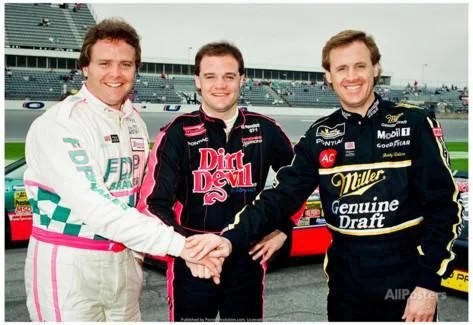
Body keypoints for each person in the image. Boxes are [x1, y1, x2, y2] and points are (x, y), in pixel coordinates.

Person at [211, 30, 463, 322]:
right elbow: (279, 199)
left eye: (360, 66)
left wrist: (428, 286)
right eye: (341, 68)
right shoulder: (319, 135)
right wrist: (229, 239)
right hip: (346, 292)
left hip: (406, 290)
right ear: (328, 76)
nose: (351, 76)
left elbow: (445, 208)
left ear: (376, 69)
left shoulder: (414, 123)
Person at [23, 18, 228, 322]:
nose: (115, 74)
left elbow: (144, 198)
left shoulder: (134, 120)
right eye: (104, 63)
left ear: (136, 69)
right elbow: (96, 207)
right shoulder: (60, 124)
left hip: (126, 261)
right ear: (85, 68)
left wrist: (197, 244)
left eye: (126, 64)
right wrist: (182, 246)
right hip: (70, 265)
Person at [137, 41, 295, 321]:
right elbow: (151, 204)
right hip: (192, 261)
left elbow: (298, 182)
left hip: (247, 256)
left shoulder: (266, 129)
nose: (220, 85)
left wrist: (284, 227)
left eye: (229, 76)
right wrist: (188, 248)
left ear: (242, 79)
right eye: (211, 76)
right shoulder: (176, 133)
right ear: (198, 80)